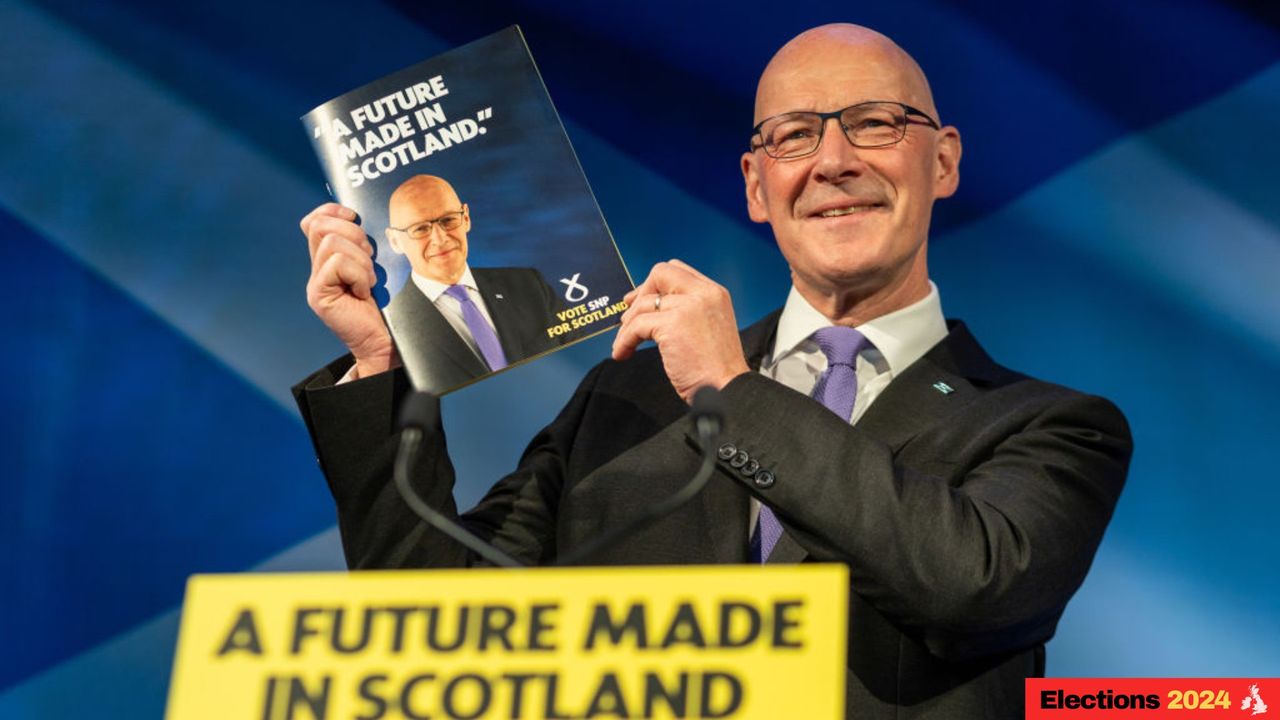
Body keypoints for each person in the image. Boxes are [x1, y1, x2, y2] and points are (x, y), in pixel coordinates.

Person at [294, 24, 1131, 718]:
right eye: (794, 135)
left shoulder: (1052, 425)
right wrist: (377, 364)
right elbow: (441, 624)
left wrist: (734, 391)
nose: (833, 161)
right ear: (757, 187)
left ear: (942, 162)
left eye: (876, 122)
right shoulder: (625, 397)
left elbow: (973, 591)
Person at [316, 173, 562, 395]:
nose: (440, 238)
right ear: (395, 241)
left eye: (447, 220)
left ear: (466, 218)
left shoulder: (529, 285)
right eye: (420, 228)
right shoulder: (388, 330)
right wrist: (375, 359)